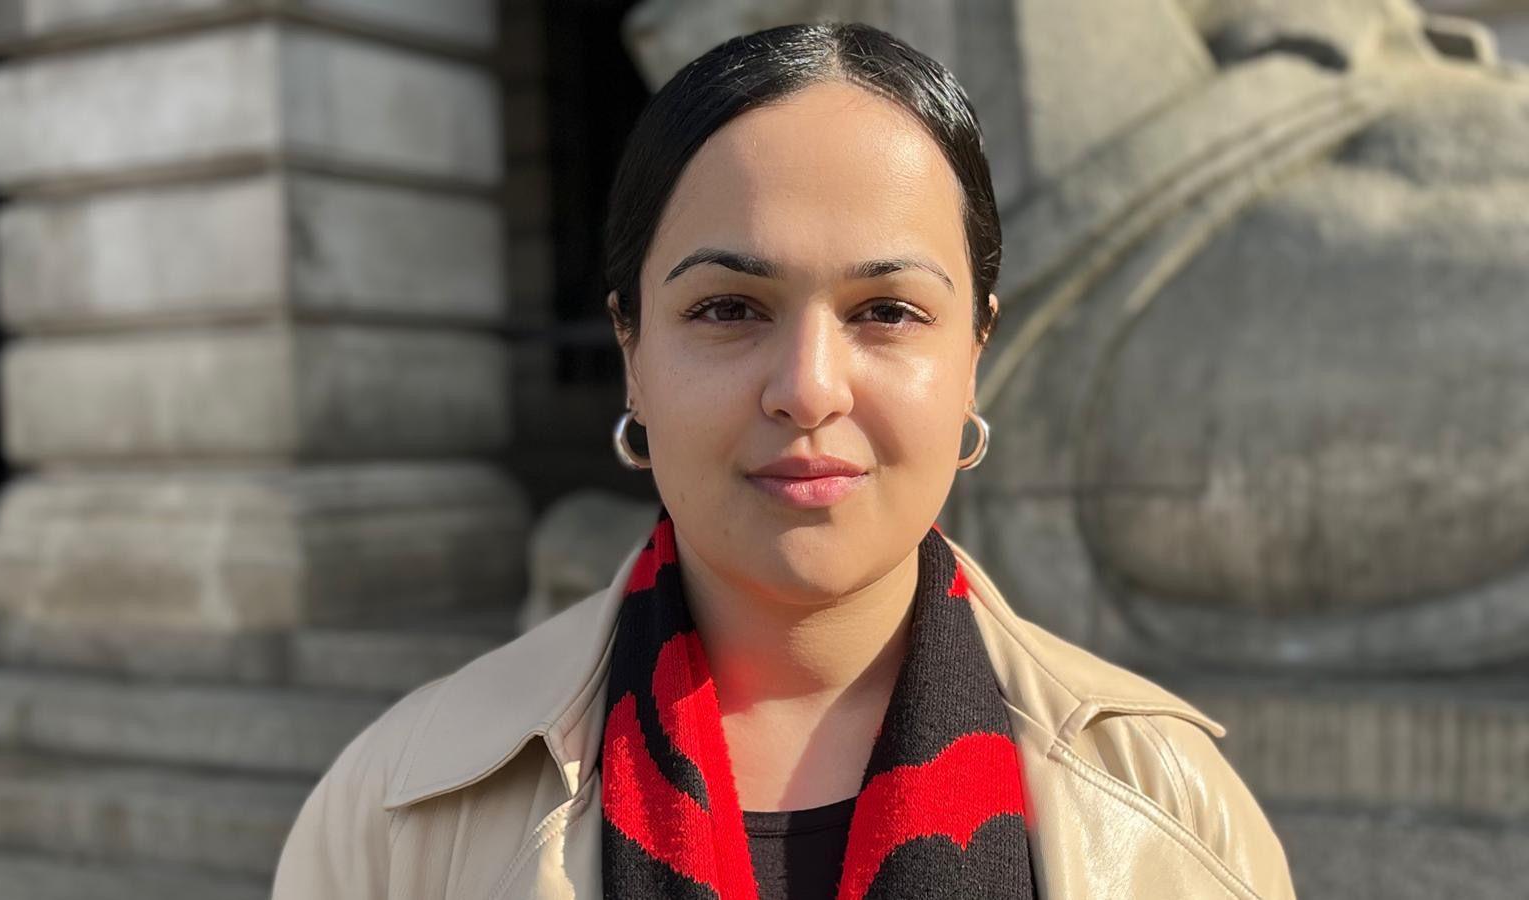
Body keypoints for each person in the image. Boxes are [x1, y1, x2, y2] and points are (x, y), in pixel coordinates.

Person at [272, 21, 1296, 900]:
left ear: (974, 351)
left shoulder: (1175, 810)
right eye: (727, 309)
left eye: (886, 312)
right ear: (631, 349)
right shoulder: (394, 813)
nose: (808, 388)